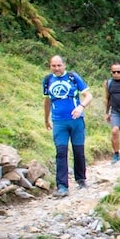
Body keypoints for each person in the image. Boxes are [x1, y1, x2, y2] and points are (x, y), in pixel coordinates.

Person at [42, 54, 90, 195]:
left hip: (76, 121)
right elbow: (47, 101)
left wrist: (81, 107)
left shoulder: (73, 77)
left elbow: (88, 95)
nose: (56, 68)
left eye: (59, 65)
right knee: (61, 152)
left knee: (78, 151)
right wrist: (46, 119)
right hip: (58, 122)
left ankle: (81, 179)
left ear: (64, 65)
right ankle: (62, 186)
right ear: (50, 66)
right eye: (53, 66)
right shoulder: (47, 80)